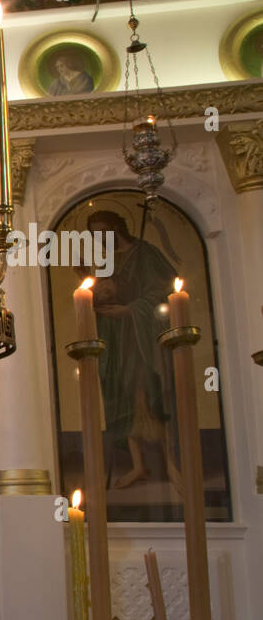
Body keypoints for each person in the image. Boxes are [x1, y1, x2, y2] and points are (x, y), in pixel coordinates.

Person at [83, 209, 180, 491]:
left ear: (118, 227)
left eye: (104, 231)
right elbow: (100, 292)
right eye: (95, 234)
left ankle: (170, 461)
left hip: (141, 339)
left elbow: (166, 293)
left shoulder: (144, 254)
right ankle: (139, 465)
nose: (100, 238)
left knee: (147, 395)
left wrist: (130, 309)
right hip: (115, 340)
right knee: (122, 398)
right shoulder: (107, 261)